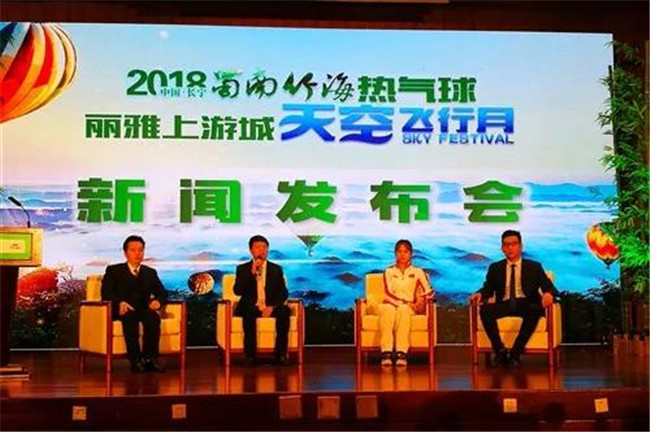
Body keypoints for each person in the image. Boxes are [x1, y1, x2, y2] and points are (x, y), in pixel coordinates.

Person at [469, 230, 558, 367]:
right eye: (506, 245)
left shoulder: (534, 267)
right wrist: (479, 294)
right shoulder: (495, 268)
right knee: (485, 311)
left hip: (527, 303)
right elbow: (488, 289)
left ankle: (515, 353)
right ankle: (500, 351)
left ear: (521, 246)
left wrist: (548, 294)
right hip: (504, 303)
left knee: (534, 310)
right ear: (502, 248)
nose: (510, 248)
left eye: (514, 244)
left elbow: (551, 288)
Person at [101, 235, 167, 373]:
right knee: (130, 318)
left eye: (140, 250)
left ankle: (150, 359)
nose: (137, 253)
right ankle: (135, 361)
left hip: (143, 308)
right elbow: (106, 293)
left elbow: (162, 293)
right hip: (122, 309)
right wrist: (119, 302)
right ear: (125, 253)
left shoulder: (150, 272)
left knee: (153, 318)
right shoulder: (114, 271)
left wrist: (158, 301)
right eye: (133, 250)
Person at [233, 235, 290, 366]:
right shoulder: (242, 269)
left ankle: (281, 355)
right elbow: (237, 291)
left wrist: (272, 307)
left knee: (284, 311)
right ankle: (250, 356)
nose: (261, 250)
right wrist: (251, 274)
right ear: (251, 250)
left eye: (264, 247)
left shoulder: (276, 269)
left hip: (270, 306)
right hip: (251, 306)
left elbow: (283, 292)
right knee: (248, 312)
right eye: (258, 247)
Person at [379, 239, 434, 367]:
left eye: (406, 252)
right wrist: (403, 303)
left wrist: (420, 299)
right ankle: (386, 352)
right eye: (399, 251)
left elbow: (429, 292)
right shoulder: (389, 271)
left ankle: (401, 353)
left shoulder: (418, 272)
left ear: (411, 254)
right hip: (390, 303)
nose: (402, 255)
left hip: (408, 307)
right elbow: (387, 293)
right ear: (395, 253)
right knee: (388, 310)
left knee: (403, 310)